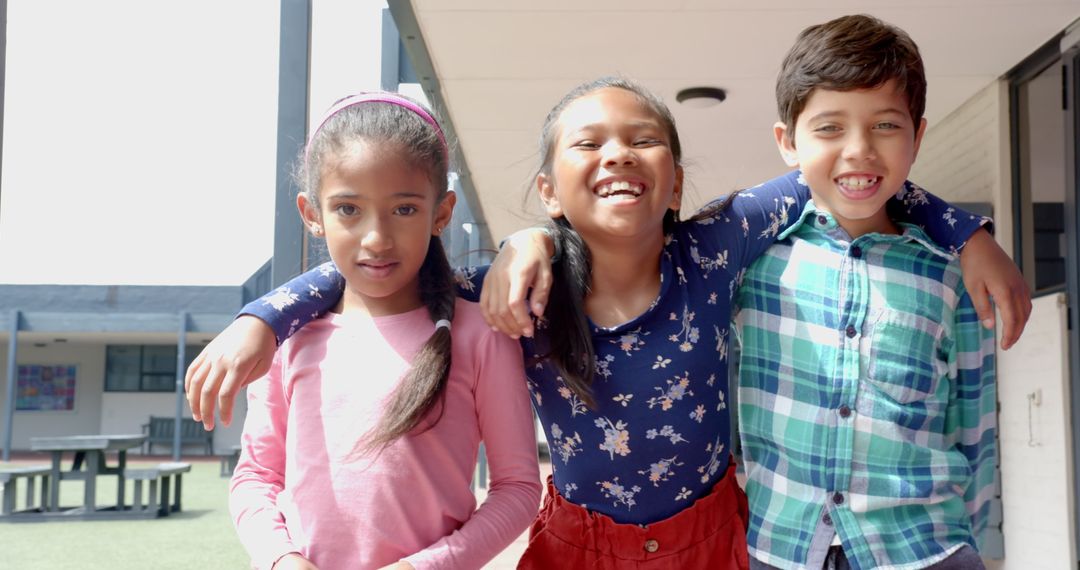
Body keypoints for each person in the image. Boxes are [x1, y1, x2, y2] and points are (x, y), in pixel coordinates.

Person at [195, 78, 1026, 569]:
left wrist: (968, 232)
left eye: (644, 141)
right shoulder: (509, 294)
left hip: (712, 541)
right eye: (588, 143)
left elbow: (840, 169)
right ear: (550, 189)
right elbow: (386, 266)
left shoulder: (717, 246)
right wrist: (265, 316)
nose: (618, 153)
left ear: (675, 182)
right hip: (574, 546)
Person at [228, 92, 541, 570]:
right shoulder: (288, 338)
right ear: (312, 215)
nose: (376, 237)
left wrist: (426, 566)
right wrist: (281, 558)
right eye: (348, 209)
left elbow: (518, 489)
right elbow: (255, 476)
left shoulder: (481, 334)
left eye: (404, 210)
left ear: (442, 212)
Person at [736, 15, 998, 569]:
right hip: (779, 547)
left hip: (922, 548)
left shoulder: (951, 275)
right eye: (829, 128)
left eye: (885, 125)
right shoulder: (751, 264)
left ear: (918, 136)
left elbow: (972, 427)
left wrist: (966, 540)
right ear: (788, 142)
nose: (859, 150)